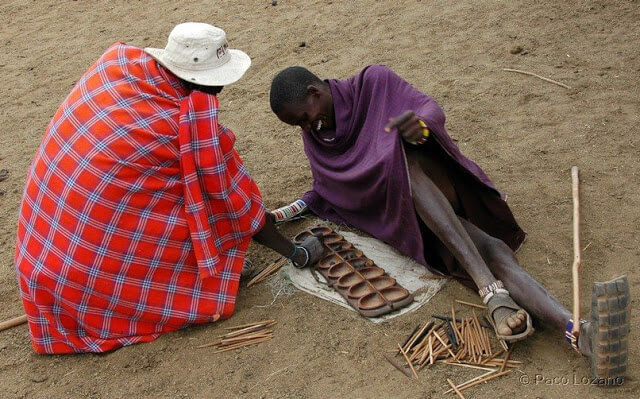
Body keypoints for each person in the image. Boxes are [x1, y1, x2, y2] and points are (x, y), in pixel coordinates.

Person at [269, 65, 629, 377]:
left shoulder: (373, 84)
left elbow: (428, 112)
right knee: (494, 250)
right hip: (410, 219)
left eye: (303, 116)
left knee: (403, 162)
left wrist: (419, 129)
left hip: (442, 187)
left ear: (315, 93)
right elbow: (329, 186)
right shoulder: (317, 138)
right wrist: (288, 211)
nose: (305, 127)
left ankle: (489, 291)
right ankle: (576, 330)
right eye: (297, 125)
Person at [14, 23, 323, 354]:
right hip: (84, 278)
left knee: (180, 193)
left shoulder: (118, 70)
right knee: (198, 206)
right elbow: (234, 203)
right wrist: (297, 253)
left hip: (40, 258)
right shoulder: (188, 127)